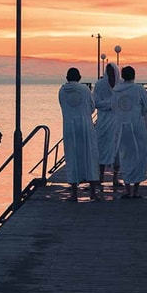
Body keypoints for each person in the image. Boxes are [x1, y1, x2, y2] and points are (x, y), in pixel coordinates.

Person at [58, 67, 101, 202]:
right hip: (85, 126)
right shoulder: (85, 90)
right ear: (80, 77)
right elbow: (92, 106)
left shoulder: (61, 91)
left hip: (69, 126)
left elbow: (62, 106)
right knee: (90, 156)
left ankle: (74, 194)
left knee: (72, 157)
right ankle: (93, 192)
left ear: (67, 78)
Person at [112, 66, 147, 198]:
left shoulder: (116, 91)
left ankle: (127, 189)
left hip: (121, 126)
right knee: (139, 155)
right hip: (137, 126)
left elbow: (114, 107)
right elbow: (146, 107)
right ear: (134, 76)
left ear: (123, 76)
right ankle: (136, 190)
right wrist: (138, 115)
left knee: (124, 155)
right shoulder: (139, 89)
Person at [94, 62, 121, 190]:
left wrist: (114, 105)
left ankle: (115, 178)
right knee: (102, 148)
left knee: (118, 150)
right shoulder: (100, 84)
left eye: (112, 71)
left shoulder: (120, 85)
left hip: (117, 121)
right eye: (108, 71)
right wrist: (111, 105)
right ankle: (100, 177)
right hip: (104, 121)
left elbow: (123, 102)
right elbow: (96, 102)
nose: (110, 74)